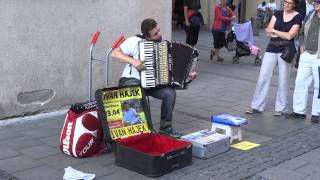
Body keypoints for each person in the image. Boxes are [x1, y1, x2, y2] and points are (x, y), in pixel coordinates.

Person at [111, 18, 197, 138]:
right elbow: (115, 53)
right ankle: (143, 130)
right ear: (147, 36)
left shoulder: (164, 46)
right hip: (131, 81)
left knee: (169, 93)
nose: (159, 34)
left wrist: (187, 76)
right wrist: (133, 61)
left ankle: (165, 127)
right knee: (137, 91)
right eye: (155, 34)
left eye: (159, 30)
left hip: (151, 84)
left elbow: (171, 71)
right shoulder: (134, 41)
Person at [246, 0, 303, 115]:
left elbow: (290, 35)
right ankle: (257, 106)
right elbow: (268, 30)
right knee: (263, 77)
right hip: (272, 47)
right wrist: (278, 33)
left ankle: (281, 108)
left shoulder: (298, 17)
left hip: (286, 50)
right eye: (285, 2)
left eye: (290, 3)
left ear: (295, 4)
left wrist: (275, 32)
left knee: (283, 79)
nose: (286, 4)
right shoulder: (277, 13)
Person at [286, 0, 320, 123]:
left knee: (318, 86)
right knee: (300, 82)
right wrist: (301, 46)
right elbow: (301, 32)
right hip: (306, 54)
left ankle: (317, 113)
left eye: (318, 2)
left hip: (319, 56)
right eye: (315, 2)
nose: (315, 3)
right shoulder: (310, 14)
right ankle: (299, 111)